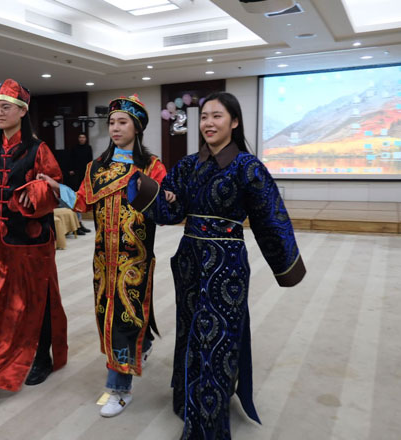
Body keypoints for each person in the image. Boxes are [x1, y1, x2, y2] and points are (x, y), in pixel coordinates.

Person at [128, 91, 306, 439]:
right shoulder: (188, 165)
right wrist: (144, 190)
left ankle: (206, 427)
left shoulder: (248, 167)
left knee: (215, 340)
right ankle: (187, 401)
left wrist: (287, 266)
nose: (208, 123)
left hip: (227, 265)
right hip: (190, 261)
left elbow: (270, 219)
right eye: (205, 117)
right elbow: (171, 211)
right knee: (190, 333)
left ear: (234, 122)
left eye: (217, 116)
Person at [38, 94, 167, 417]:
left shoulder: (152, 166)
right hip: (102, 259)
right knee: (106, 314)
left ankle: (119, 389)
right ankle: (144, 345)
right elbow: (83, 202)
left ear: (137, 128)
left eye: (123, 122)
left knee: (124, 317)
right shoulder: (96, 167)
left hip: (134, 260)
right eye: (112, 122)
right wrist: (55, 187)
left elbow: (164, 210)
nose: (115, 128)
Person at [0, 78, 68, 406]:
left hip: (33, 243)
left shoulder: (37, 149)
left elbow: (55, 187)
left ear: (22, 111)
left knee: (38, 301)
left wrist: (37, 191)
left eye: (5, 107)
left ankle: (42, 357)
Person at [65, 132, 93, 234]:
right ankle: (78, 224)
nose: (82, 139)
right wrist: (71, 169)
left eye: (83, 137)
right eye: (80, 137)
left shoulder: (88, 148)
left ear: (86, 139)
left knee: (84, 192)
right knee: (76, 194)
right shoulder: (74, 148)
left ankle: (80, 223)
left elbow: (90, 160)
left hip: (85, 172)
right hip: (76, 173)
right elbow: (70, 159)